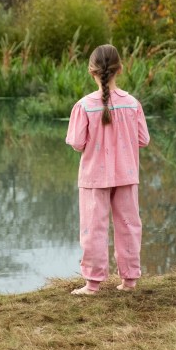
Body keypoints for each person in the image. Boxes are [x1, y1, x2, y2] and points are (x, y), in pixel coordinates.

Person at [65, 44, 150, 295]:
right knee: (129, 225)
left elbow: (77, 143)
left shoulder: (84, 106)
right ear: (120, 69)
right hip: (127, 174)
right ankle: (129, 280)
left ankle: (92, 284)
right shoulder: (132, 104)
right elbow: (143, 140)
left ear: (91, 71)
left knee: (93, 228)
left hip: (94, 178)